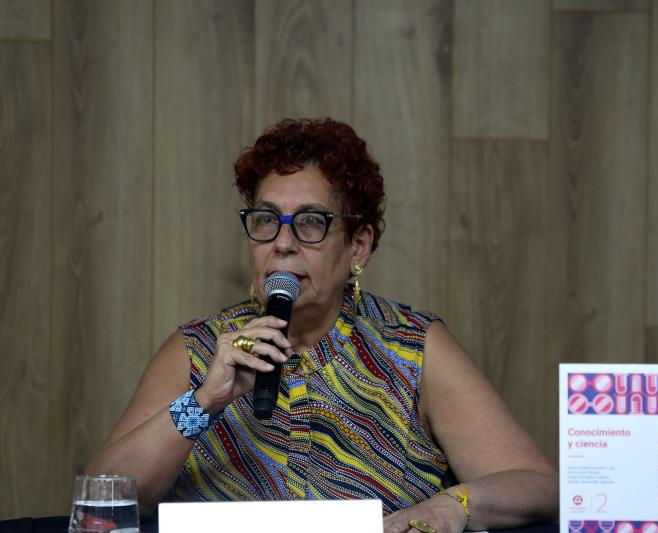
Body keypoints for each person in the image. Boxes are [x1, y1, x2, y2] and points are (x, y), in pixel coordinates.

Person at [86, 118, 557, 532]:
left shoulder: (412, 348)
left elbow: (539, 485)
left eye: (310, 223)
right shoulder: (199, 349)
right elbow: (101, 500)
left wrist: (452, 506)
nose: (283, 243)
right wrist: (204, 401)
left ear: (358, 246)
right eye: (266, 220)